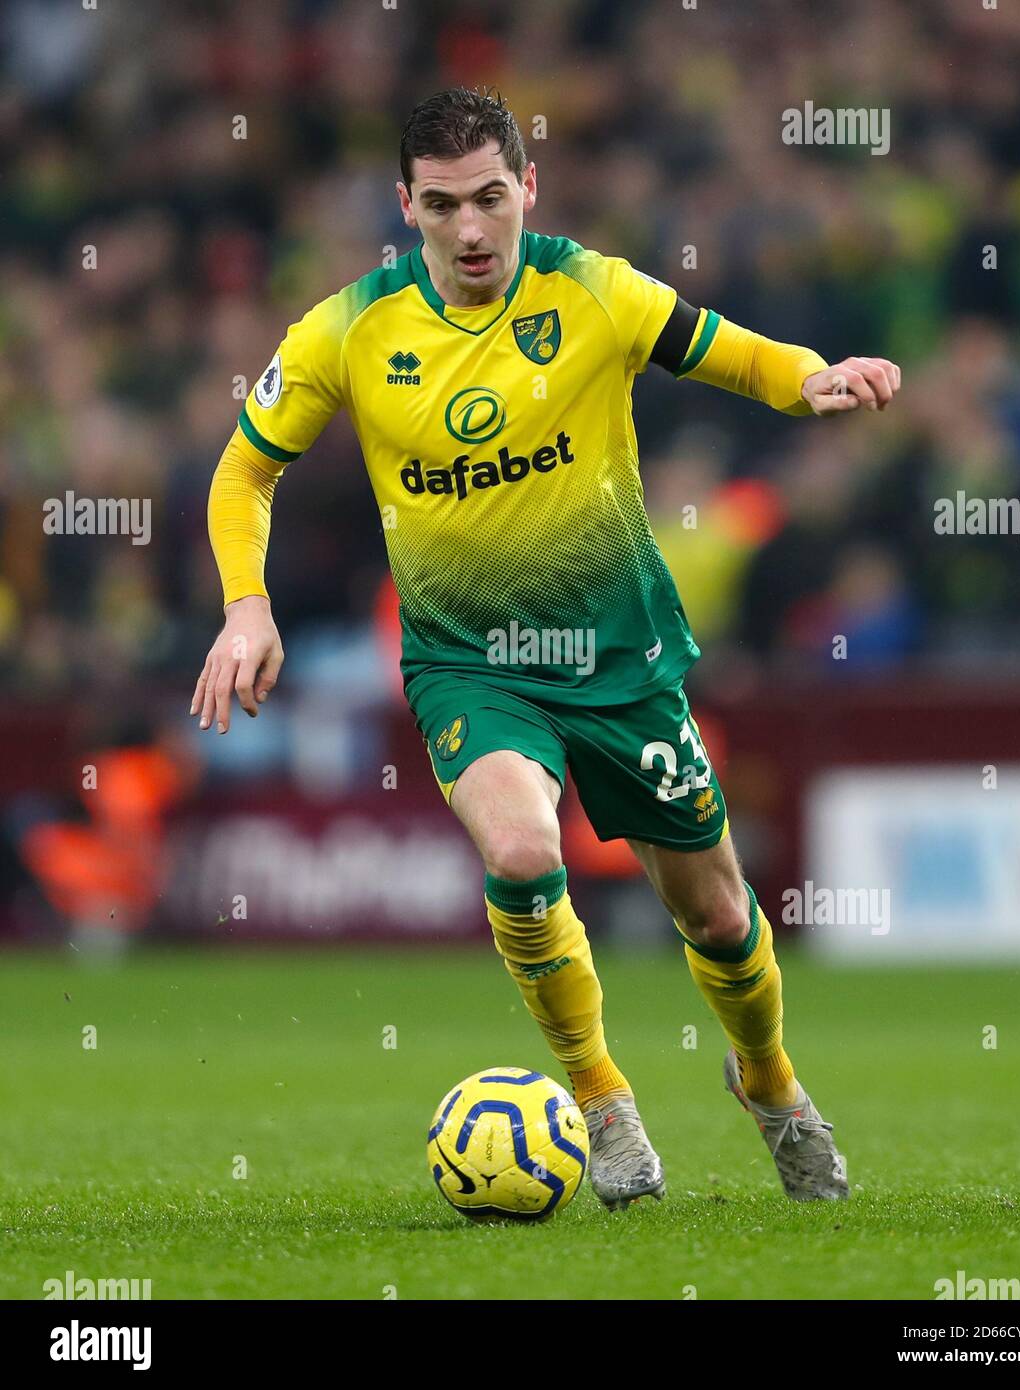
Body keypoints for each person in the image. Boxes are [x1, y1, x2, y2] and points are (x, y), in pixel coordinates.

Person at [193, 87, 900, 1209]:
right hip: (468, 663)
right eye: (440, 207)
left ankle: (767, 1083)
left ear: (528, 188)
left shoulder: (592, 290)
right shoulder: (345, 330)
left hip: (619, 655)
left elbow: (726, 351)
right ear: (404, 206)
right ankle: (603, 1102)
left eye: (488, 199)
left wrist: (807, 377)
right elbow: (244, 468)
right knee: (522, 852)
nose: (469, 231)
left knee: (715, 912)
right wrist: (246, 603)